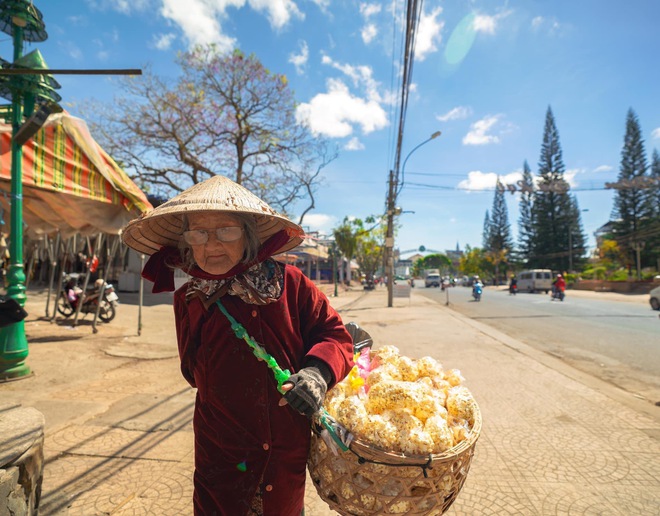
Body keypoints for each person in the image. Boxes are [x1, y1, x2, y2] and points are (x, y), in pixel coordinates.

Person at [121, 175, 355, 515]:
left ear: (248, 235)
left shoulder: (291, 284)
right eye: (198, 233)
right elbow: (192, 371)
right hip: (221, 453)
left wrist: (317, 374)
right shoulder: (189, 298)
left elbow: (335, 335)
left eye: (226, 230)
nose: (211, 243)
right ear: (186, 242)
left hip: (283, 453)